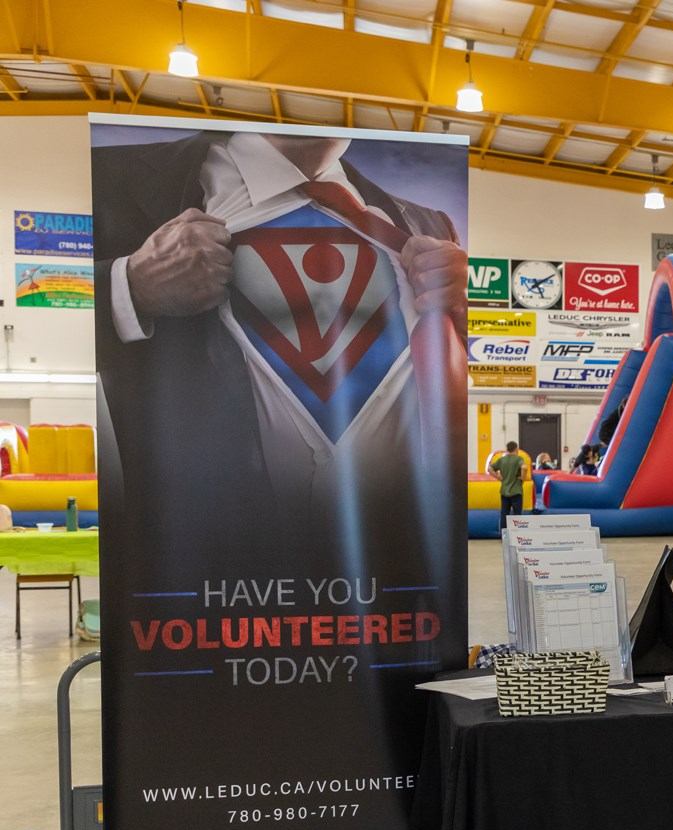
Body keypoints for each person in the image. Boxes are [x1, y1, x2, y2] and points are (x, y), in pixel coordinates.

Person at [91, 128, 468, 580]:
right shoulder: (112, 177)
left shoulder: (423, 222)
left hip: (389, 570)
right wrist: (127, 284)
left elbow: (444, 389)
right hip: (202, 571)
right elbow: (41, 299)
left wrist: (465, 314)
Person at [489, 440, 527, 530]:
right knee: (517, 514)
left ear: (507, 449)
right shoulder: (518, 459)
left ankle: (504, 534)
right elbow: (524, 467)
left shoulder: (502, 460)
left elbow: (489, 468)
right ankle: (517, 533)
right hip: (516, 491)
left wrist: (498, 477)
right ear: (516, 449)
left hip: (504, 491)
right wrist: (523, 477)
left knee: (504, 514)